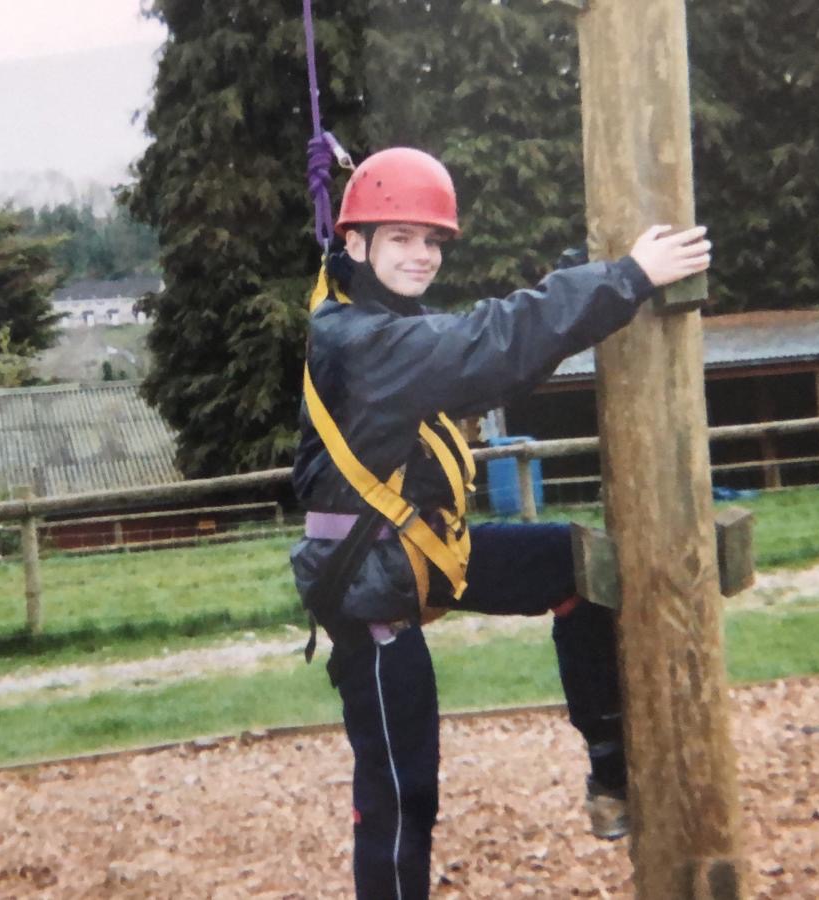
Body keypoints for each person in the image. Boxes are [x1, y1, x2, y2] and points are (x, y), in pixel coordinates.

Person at [289, 146, 710, 898]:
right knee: (401, 794)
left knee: (575, 565)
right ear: (355, 244)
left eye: (432, 242)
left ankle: (610, 766)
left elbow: (499, 363)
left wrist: (588, 306)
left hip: (416, 554)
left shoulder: (378, 322)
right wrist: (626, 278)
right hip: (370, 593)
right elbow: (493, 340)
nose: (422, 257)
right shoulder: (363, 342)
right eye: (399, 239)